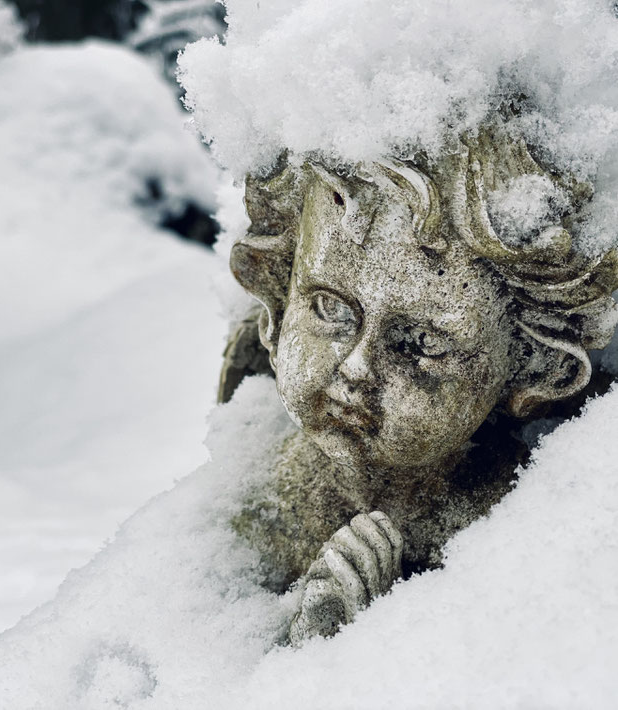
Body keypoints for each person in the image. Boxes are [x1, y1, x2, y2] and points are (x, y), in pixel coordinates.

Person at [226, 117, 618, 643]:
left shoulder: (523, 540)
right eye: (327, 306)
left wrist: (342, 653)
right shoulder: (253, 497)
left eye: (422, 343)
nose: (357, 368)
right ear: (277, 304)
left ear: (532, 367)